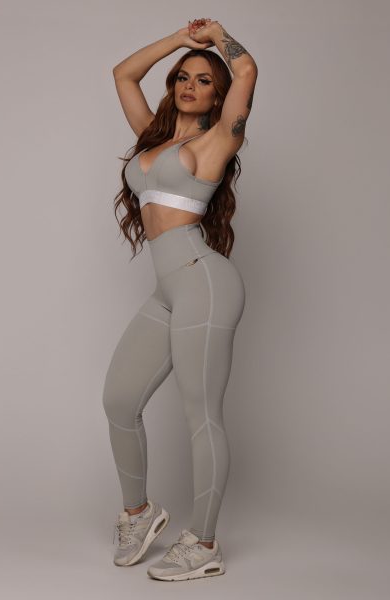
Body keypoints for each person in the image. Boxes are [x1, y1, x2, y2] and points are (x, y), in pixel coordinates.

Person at [103, 17, 257, 581]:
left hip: (204, 282)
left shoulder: (218, 141)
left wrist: (217, 35)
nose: (190, 86)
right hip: (167, 289)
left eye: (204, 80)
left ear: (219, 96)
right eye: (182, 78)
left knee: (201, 414)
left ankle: (205, 543)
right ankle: (139, 514)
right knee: (119, 401)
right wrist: (178, 41)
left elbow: (247, 68)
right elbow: (123, 74)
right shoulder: (154, 137)